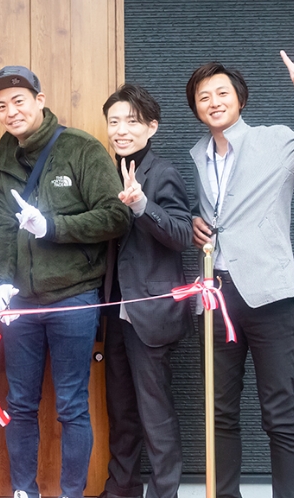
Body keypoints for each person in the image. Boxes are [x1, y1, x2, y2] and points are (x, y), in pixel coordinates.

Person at [187, 39, 294, 498]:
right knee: (219, 411)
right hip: (216, 296)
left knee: (279, 411)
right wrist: (198, 223)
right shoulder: (199, 154)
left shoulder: (275, 140)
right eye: (203, 97)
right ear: (196, 108)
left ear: (240, 98)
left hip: (269, 295)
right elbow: (221, 214)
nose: (213, 102)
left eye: (222, 93)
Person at [0, 66, 131, 498]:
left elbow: (117, 215)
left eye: (19, 101)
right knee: (20, 403)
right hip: (20, 304)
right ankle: (23, 491)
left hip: (74, 297)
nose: (11, 112)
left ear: (40, 100)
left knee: (71, 405)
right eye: (1, 106)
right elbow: (1, 231)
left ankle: (71, 493)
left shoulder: (80, 148)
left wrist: (53, 227)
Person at [98, 84, 193, 498]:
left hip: (150, 312)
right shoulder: (106, 171)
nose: (121, 130)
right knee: (120, 411)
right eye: (114, 121)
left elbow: (182, 234)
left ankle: (164, 492)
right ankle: (121, 489)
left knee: (155, 413)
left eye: (132, 122)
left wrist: (141, 205)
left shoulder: (162, 172)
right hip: (115, 311)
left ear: (152, 127)